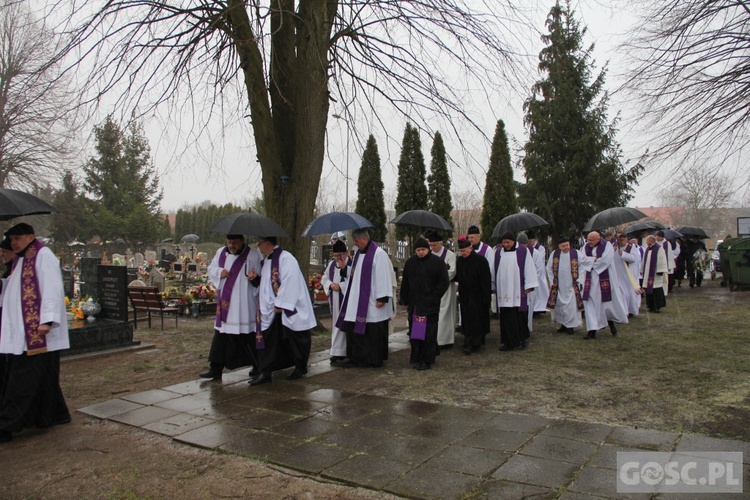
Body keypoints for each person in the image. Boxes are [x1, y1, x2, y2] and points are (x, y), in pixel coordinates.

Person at [0, 223, 71, 443]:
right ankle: (55, 414)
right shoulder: (21, 259)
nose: (14, 243)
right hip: (19, 329)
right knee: (45, 376)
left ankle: (6, 425)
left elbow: (52, 287)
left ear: (31, 236)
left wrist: (47, 320)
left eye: (17, 239)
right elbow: (13, 289)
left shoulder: (42, 255)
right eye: (11, 239)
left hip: (35, 331)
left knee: (22, 381)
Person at [247, 236, 316, 385]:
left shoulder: (286, 259)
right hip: (270, 310)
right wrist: (255, 279)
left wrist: (281, 304)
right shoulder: (266, 262)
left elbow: (291, 281)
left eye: (259, 243)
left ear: (267, 243)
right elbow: (265, 285)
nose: (258, 246)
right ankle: (265, 372)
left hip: (285, 307)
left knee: (294, 338)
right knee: (268, 340)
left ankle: (300, 367)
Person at [200, 234, 263, 380]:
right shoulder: (221, 252)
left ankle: (257, 366)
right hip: (226, 305)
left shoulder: (253, 254)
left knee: (249, 336)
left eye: (234, 243)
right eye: (229, 242)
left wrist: (255, 277)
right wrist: (219, 272)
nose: (231, 245)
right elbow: (211, 268)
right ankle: (215, 369)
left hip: (245, 303)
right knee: (221, 336)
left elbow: (262, 274)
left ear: (242, 241)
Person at [335, 229, 393, 368]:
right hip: (356, 299)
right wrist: (344, 269)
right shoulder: (358, 254)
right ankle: (355, 357)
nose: (355, 244)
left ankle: (372, 358)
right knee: (353, 328)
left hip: (372, 299)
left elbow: (383, 275)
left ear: (364, 239)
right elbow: (355, 273)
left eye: (356, 241)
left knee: (371, 331)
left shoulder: (379, 254)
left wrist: (382, 297)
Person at [399, 238, 449, 370]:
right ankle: (417, 357)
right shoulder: (410, 263)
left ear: (428, 249)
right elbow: (405, 283)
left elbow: (444, 282)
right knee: (416, 333)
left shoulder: (437, 263)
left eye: (423, 250)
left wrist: (434, 297)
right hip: (415, 304)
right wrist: (403, 300)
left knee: (429, 333)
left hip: (430, 304)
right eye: (418, 250)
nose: (420, 252)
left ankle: (427, 359)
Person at [579, 231, 628, 340]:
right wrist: (593, 260)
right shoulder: (585, 247)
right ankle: (591, 331)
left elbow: (605, 261)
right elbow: (582, 259)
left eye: (591, 240)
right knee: (589, 304)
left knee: (605, 305)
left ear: (598, 239)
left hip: (603, 278)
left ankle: (611, 324)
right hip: (589, 279)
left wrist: (591, 262)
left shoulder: (607, 246)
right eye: (588, 239)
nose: (589, 242)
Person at [494, 231, 538, 351]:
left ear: (514, 241)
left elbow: (529, 268)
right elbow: (495, 270)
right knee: (506, 316)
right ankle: (508, 342)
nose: (506, 244)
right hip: (504, 290)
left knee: (519, 315)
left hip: (518, 289)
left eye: (508, 242)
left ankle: (522, 339)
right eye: (504, 242)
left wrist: (529, 285)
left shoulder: (523, 252)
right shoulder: (498, 252)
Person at [453, 236, 491, 354]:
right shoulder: (459, 261)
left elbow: (486, 280)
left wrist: (486, 298)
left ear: (470, 248)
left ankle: (476, 342)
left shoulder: (481, 261)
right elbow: (457, 276)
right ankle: (468, 341)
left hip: (478, 295)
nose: (463, 253)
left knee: (477, 319)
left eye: (465, 250)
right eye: (461, 251)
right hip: (465, 295)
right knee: (467, 319)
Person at [545, 237, 584, 334]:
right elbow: (549, 268)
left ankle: (570, 326)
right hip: (559, 285)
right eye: (563, 246)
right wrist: (552, 280)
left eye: (567, 245)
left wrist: (579, 280)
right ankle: (563, 324)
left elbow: (583, 266)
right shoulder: (555, 254)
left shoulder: (576, 254)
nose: (566, 247)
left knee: (571, 306)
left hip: (572, 284)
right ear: (559, 246)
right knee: (560, 305)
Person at [320, 240, 351, 363]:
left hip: (345, 301)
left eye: (340, 255)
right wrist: (330, 285)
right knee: (335, 326)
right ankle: (336, 351)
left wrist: (341, 286)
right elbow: (324, 278)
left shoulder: (352, 265)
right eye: (335, 255)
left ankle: (345, 352)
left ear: (346, 253)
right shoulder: (332, 265)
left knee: (344, 325)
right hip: (335, 299)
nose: (338, 258)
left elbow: (355, 281)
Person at [426, 231, 457, 350]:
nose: (433, 248)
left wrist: (438, 279)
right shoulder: (428, 255)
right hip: (431, 289)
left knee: (445, 313)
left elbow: (452, 271)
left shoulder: (450, 255)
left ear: (441, 243)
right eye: (431, 245)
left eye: (435, 245)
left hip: (446, 289)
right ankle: (432, 339)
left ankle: (445, 339)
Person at [467, 225, 496, 315]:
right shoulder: (467, 249)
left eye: (472, 237)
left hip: (482, 285)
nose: (470, 239)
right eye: (469, 237)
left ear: (478, 236)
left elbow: (491, 268)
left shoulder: (487, 249)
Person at [521, 232, 550, 319]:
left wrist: (533, 276)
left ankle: (538, 309)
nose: (530, 242)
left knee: (538, 293)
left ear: (534, 240)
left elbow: (539, 264)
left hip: (537, 276)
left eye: (531, 241)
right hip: (526, 276)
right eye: (528, 241)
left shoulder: (538, 250)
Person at [614, 234, 642, 317]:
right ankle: (623, 311)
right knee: (621, 293)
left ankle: (631, 310)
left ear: (626, 240)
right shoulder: (615, 247)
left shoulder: (631, 248)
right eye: (618, 240)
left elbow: (634, 259)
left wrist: (623, 254)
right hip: (619, 274)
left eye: (621, 240)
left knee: (630, 293)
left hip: (629, 274)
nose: (619, 242)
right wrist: (613, 251)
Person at [640, 235, 668, 313]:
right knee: (649, 291)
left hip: (655, 273)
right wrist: (642, 269)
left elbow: (662, 259)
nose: (646, 242)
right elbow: (644, 260)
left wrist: (660, 270)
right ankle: (650, 306)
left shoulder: (659, 249)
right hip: (647, 273)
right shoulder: (647, 249)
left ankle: (657, 306)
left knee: (656, 290)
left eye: (647, 241)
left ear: (651, 241)